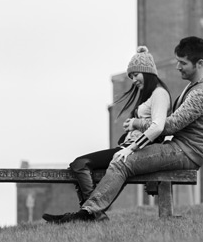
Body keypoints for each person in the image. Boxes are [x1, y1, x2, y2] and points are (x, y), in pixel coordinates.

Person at [45, 36, 203, 224]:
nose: (178, 67)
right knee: (116, 159)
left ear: (199, 63)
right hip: (180, 148)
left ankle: (88, 214)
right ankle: (89, 212)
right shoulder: (196, 87)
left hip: (187, 152)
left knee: (124, 161)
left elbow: (171, 125)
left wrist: (137, 125)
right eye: (177, 62)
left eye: (182, 63)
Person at [43, 46, 171, 222]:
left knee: (81, 164)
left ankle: (93, 214)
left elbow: (158, 126)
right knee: (77, 165)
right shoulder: (150, 95)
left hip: (133, 151)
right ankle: (93, 213)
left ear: (147, 72)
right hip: (126, 148)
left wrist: (132, 140)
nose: (134, 80)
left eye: (136, 75)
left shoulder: (160, 94)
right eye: (131, 76)